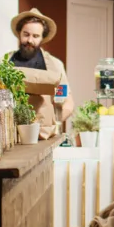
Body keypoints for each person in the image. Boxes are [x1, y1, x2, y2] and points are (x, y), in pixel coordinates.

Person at [8, 8, 75, 139]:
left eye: (35, 36)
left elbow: (67, 102)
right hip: (10, 136)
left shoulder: (55, 66)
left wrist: (53, 122)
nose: (30, 40)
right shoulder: (4, 63)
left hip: (42, 136)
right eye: (26, 34)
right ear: (19, 34)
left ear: (42, 38)